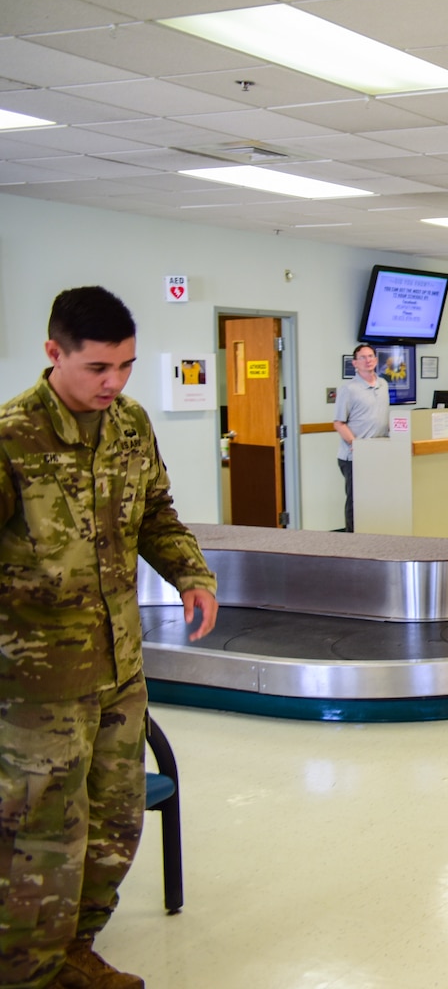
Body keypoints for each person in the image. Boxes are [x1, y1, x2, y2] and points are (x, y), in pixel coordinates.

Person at [1, 286, 219, 989]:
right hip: (36, 689)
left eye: (125, 365)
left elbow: (157, 511)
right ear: (53, 354)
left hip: (119, 669)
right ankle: (25, 972)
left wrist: (192, 575)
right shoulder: (11, 437)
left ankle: (73, 953)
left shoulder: (129, 424)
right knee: (39, 842)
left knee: (115, 825)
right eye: (98, 367)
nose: (114, 382)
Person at [333, 342, 390, 533]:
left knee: (376, 499)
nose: (368, 361)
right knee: (356, 500)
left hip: (379, 453)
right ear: (355, 363)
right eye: (363, 357)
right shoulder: (349, 389)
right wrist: (355, 444)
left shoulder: (383, 385)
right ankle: (353, 539)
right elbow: (339, 423)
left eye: (371, 356)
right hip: (354, 456)